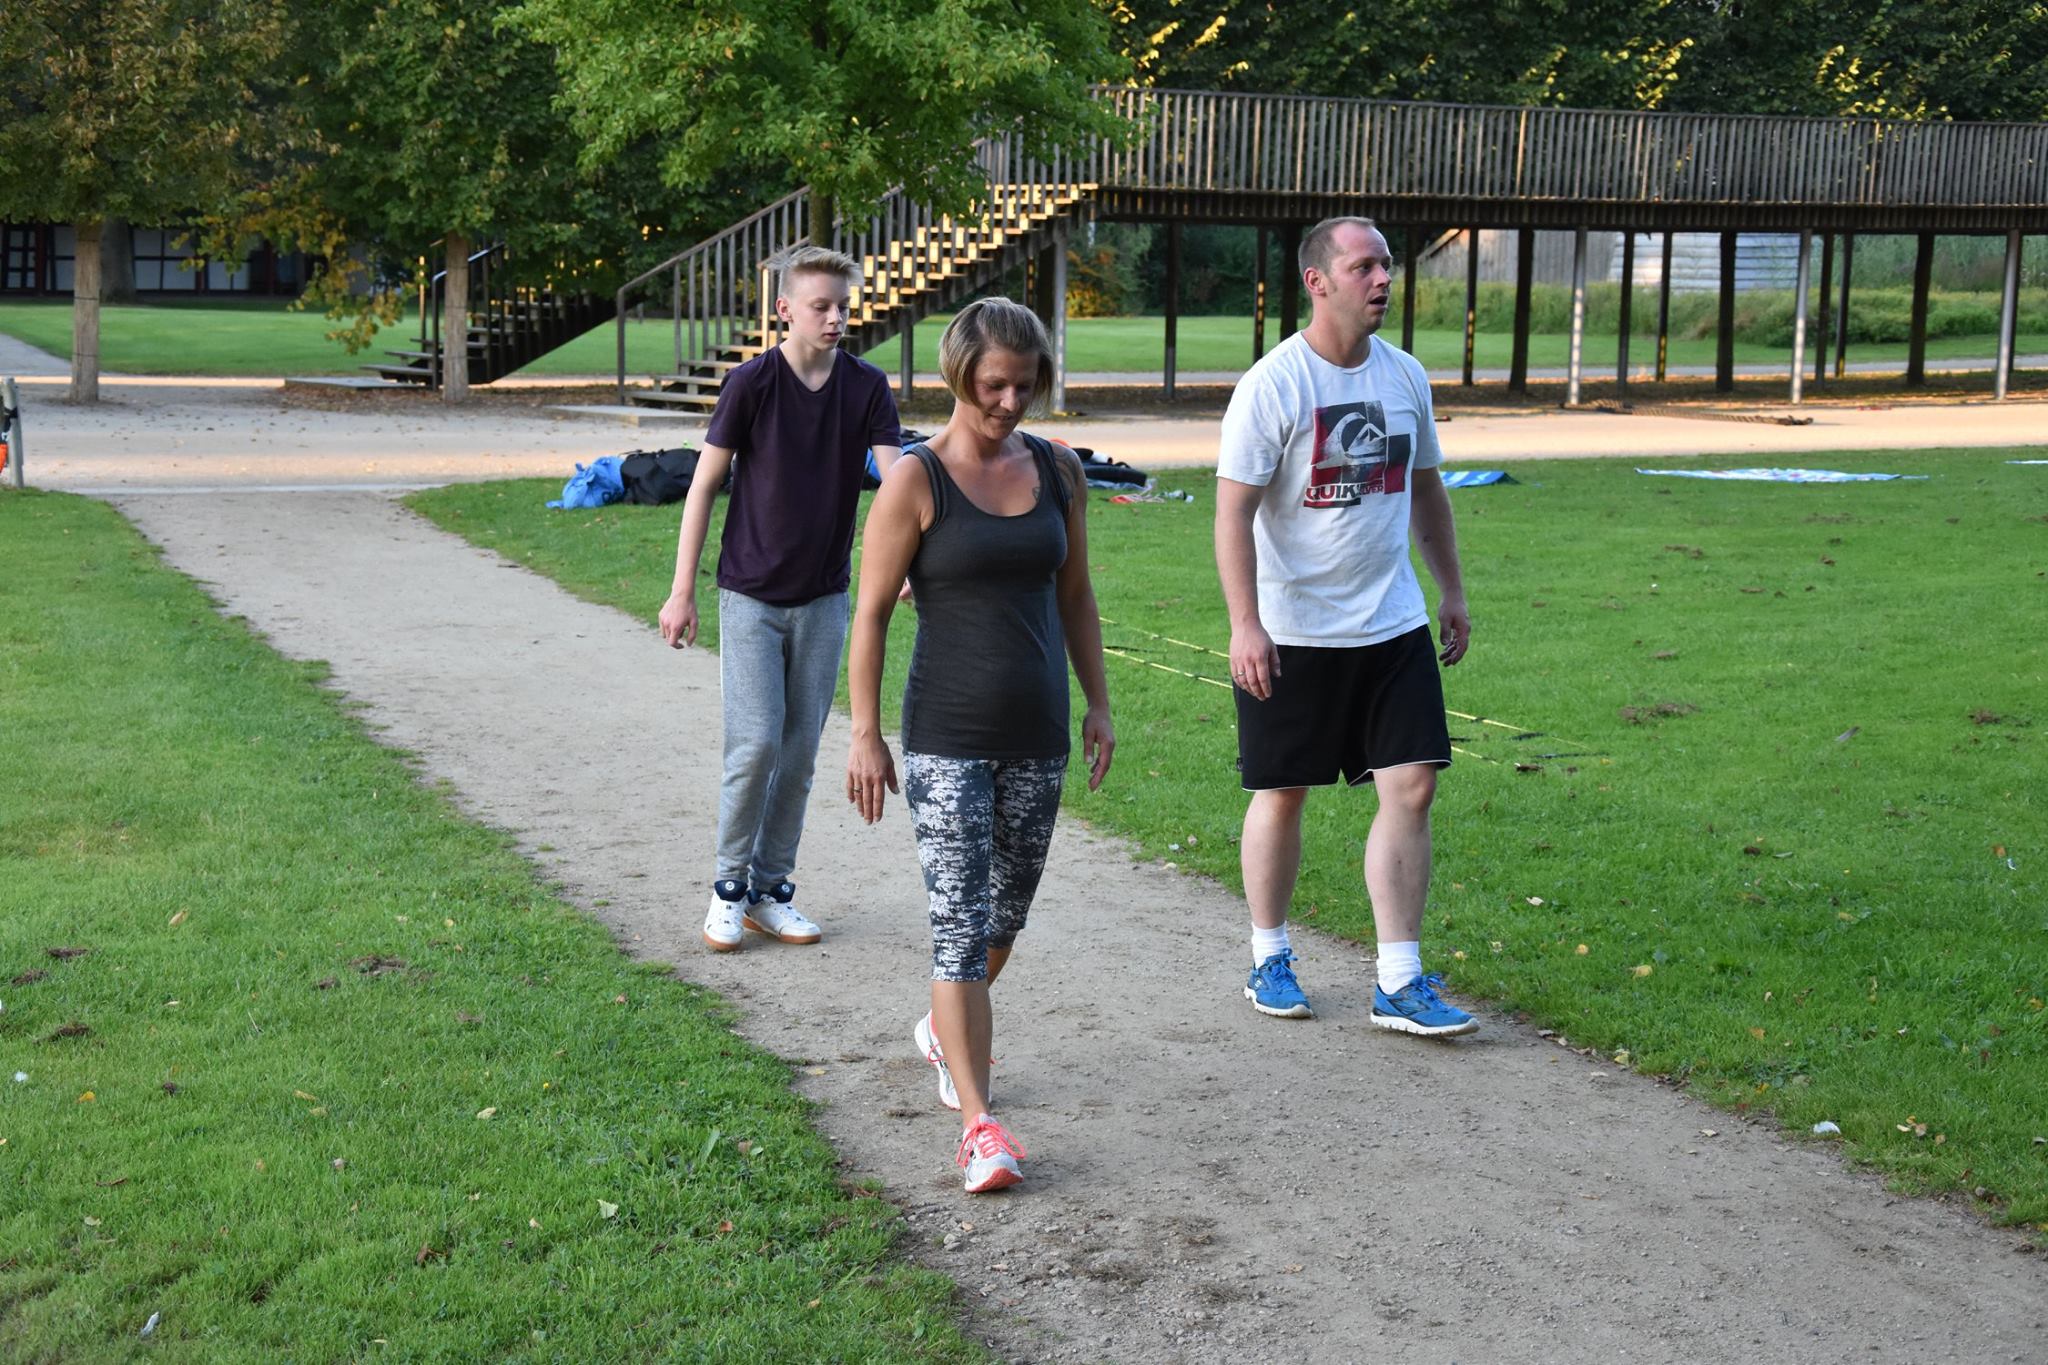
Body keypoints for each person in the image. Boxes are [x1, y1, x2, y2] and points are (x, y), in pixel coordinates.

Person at [844, 297, 1114, 1193]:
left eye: (1024, 385)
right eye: (994, 384)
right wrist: (865, 734)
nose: (1008, 401)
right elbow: (871, 615)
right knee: (959, 929)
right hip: (946, 737)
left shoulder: (1059, 470)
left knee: (1003, 921)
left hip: (1037, 733)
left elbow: (1076, 596)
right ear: (959, 375)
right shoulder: (916, 480)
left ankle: (941, 1028)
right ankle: (978, 1124)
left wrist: (1098, 704)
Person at [1213, 216, 1478, 1036]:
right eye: (1364, 266)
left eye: (1386, 264)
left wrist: (1450, 589)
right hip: (1293, 630)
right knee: (1282, 792)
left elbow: (1426, 489)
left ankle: (1398, 977)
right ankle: (1269, 955)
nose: (1383, 278)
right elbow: (1231, 515)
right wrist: (1246, 624)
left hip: (1391, 624)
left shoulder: (1404, 375)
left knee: (1413, 784)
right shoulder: (1274, 385)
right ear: (1318, 281)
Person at [658, 245, 902, 953]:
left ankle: (770, 890)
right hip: (751, 596)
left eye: (843, 306)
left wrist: (909, 562)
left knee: (797, 755)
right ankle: (728, 888)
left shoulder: (867, 387)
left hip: (824, 599)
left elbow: (897, 483)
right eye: (821, 306)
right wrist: (682, 590)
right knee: (757, 742)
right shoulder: (751, 383)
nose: (836, 318)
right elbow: (703, 486)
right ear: (784, 309)